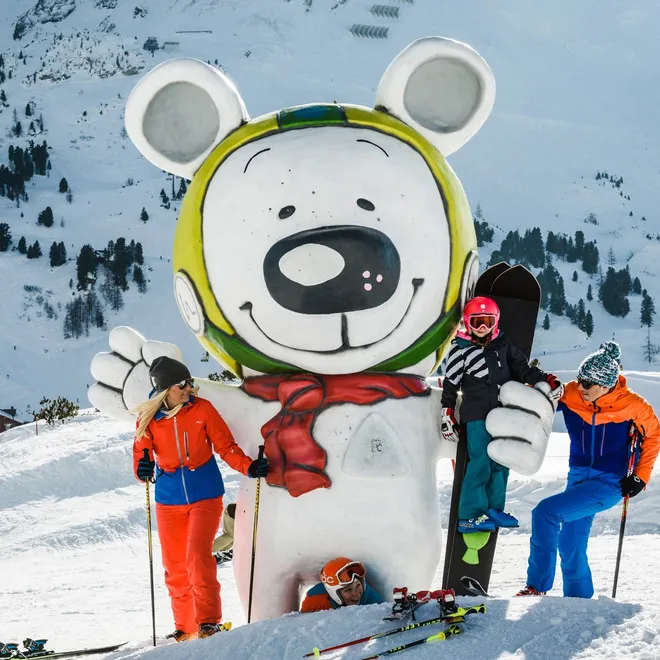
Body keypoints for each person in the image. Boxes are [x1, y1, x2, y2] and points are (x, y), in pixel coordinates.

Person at [133, 356, 269, 641]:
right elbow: (141, 456)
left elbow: (225, 446)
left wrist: (248, 466)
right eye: (183, 384)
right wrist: (142, 470)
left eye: (190, 382)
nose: (189, 388)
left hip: (205, 492)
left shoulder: (202, 409)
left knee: (197, 557)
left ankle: (208, 622)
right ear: (166, 389)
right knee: (175, 566)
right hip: (168, 499)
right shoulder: (149, 418)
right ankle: (185, 627)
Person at [517, 341, 660, 598]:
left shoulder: (633, 406)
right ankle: (579, 602)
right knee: (571, 544)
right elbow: (540, 402)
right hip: (578, 479)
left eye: (587, 384)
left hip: (609, 484)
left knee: (545, 513)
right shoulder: (572, 393)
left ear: (606, 386)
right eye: (579, 380)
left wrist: (640, 476)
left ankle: (536, 587)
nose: (580, 387)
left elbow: (653, 436)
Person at [440, 296, 563, 533]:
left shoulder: (503, 345)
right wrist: (447, 412)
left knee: (502, 460)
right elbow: (451, 383)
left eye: (487, 321)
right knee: (480, 463)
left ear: (495, 322)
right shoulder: (460, 348)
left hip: (504, 414)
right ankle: (471, 515)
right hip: (476, 415)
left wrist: (545, 379)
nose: (483, 327)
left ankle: (495, 508)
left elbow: (523, 370)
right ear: (468, 323)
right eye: (477, 322)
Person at [300, 557, 384, 612]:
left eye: (358, 585)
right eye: (348, 590)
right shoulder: (314, 599)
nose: (356, 594)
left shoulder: (371, 599)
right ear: (335, 593)